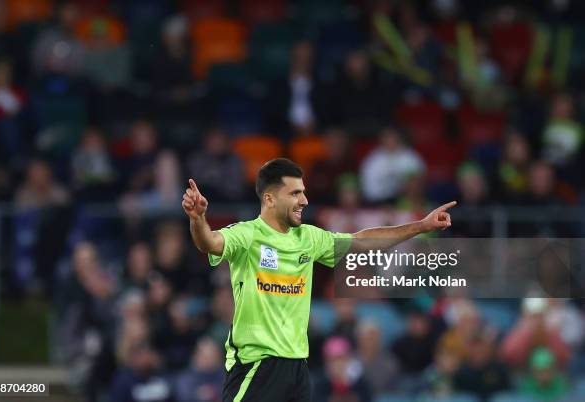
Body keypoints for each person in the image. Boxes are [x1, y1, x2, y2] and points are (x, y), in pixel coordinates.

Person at [182, 158, 456, 401]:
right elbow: (210, 242)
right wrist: (198, 219)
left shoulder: (310, 238)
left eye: (304, 192)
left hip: (298, 367)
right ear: (269, 199)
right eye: (295, 193)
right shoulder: (247, 234)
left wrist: (420, 226)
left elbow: (363, 242)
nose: (304, 201)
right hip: (257, 364)